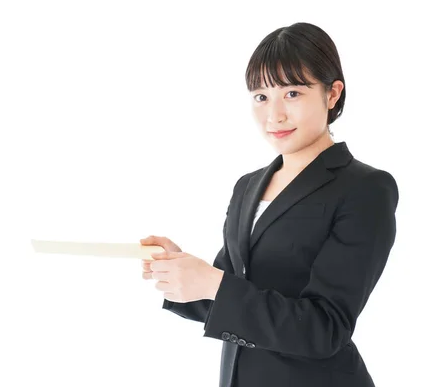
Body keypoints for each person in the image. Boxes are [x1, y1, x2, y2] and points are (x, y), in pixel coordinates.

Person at [140, 22, 399, 387]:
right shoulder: (247, 186)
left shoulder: (365, 188)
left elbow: (325, 328)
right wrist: (181, 269)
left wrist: (213, 283)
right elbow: (230, 295)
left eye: (292, 93)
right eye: (261, 96)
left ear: (332, 93)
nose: (273, 115)